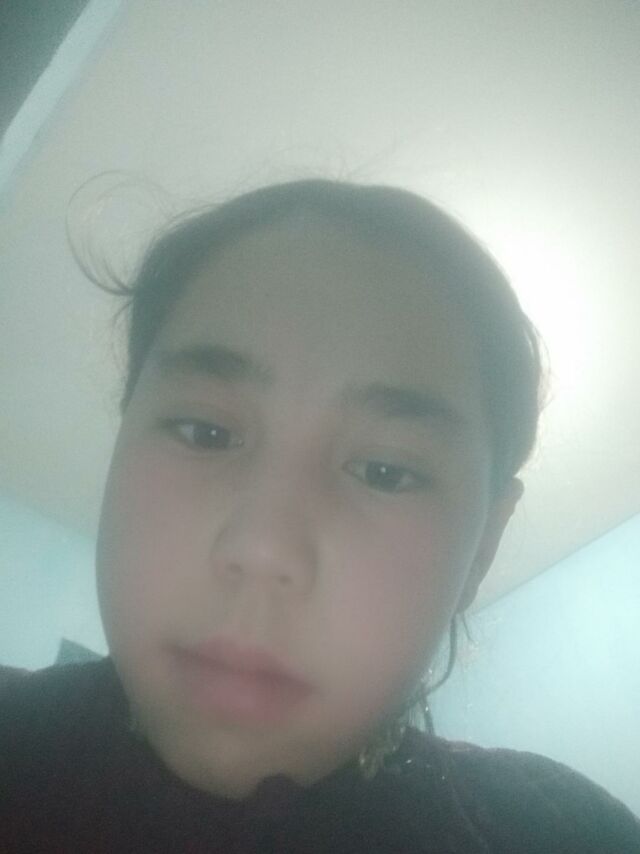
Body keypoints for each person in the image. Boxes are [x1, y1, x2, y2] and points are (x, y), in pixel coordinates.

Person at [1, 178, 639, 853]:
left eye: (385, 472)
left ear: (482, 547)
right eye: (204, 432)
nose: (264, 548)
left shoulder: (559, 833)